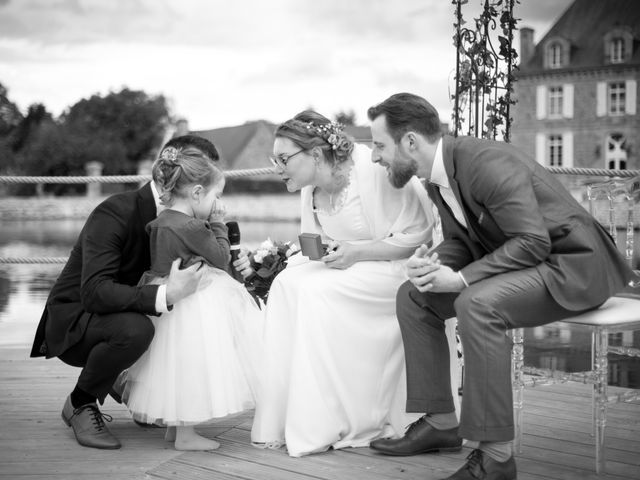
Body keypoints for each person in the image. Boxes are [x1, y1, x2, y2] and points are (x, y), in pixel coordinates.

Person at [366, 93, 633, 480]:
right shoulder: (438, 176)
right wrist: (434, 264)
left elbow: (532, 241)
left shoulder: (485, 162)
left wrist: (459, 279)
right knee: (414, 295)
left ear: (410, 142)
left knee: (478, 303)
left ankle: (496, 458)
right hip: (534, 264)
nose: (375, 157)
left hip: (573, 265)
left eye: (379, 145)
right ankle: (441, 423)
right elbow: (464, 239)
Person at [247, 110, 460, 457]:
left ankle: (329, 418)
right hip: (350, 266)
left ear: (315, 155)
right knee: (287, 284)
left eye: (284, 159)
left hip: (394, 267)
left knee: (315, 292)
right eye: (275, 160)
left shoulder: (374, 171)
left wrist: (358, 253)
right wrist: (306, 258)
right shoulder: (310, 189)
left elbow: (418, 235)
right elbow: (313, 243)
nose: (277, 167)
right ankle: (295, 412)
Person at [30, 135, 220, 450]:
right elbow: (94, 292)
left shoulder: (190, 217)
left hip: (129, 307)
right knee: (136, 329)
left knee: (193, 314)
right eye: (200, 168)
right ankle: (80, 402)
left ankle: (131, 383)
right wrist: (166, 295)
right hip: (78, 318)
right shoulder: (116, 211)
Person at [123, 144, 263, 451]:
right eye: (216, 197)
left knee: (176, 367)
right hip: (195, 302)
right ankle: (186, 437)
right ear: (198, 194)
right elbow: (222, 257)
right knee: (194, 367)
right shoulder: (193, 226)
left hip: (170, 299)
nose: (218, 204)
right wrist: (218, 223)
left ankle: (176, 430)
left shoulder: (159, 222)